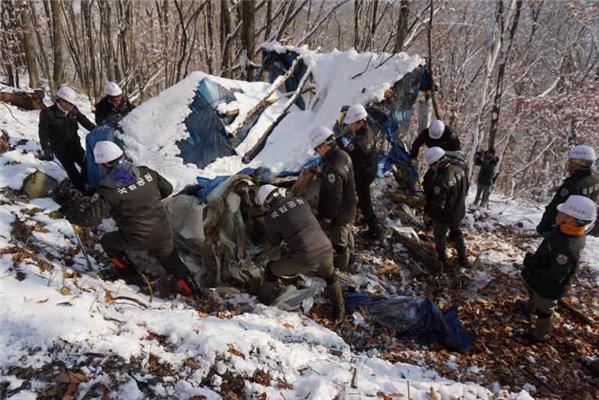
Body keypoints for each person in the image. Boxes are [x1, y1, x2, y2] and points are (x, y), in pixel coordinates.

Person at [62, 141, 199, 296]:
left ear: (103, 165)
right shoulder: (146, 173)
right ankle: (196, 293)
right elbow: (167, 189)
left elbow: (90, 220)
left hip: (136, 237)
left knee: (108, 242)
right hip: (163, 231)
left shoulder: (108, 189)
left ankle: (128, 273)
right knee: (174, 263)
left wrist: (70, 213)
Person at [256, 184, 345, 320]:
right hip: (326, 248)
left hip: (306, 257)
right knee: (330, 276)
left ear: (267, 203)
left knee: (271, 270)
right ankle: (340, 312)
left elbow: (275, 242)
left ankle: (261, 304)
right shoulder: (301, 200)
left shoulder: (271, 217)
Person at [520, 195, 596, 342]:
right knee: (533, 290)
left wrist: (534, 269)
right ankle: (530, 306)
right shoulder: (564, 230)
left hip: (549, 286)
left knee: (544, 310)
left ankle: (539, 335)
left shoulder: (569, 247)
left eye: (562, 213)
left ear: (572, 219)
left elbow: (555, 275)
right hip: (540, 276)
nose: (557, 214)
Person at [308, 126, 357, 272]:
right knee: (346, 233)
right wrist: (321, 174)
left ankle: (340, 269)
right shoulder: (343, 155)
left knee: (339, 243)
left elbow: (334, 197)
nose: (317, 152)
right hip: (349, 206)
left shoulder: (333, 168)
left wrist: (327, 217)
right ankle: (351, 259)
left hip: (339, 212)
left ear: (324, 145)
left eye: (317, 149)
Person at [38, 86, 96, 192]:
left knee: (87, 165)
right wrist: (46, 148)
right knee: (71, 170)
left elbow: (85, 121)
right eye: (70, 103)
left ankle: (91, 183)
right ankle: (82, 190)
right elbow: (43, 132)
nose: (72, 106)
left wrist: (97, 130)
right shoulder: (47, 113)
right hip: (60, 148)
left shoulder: (73, 111)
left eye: (73, 104)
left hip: (75, 144)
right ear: (61, 101)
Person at [337, 104, 382, 239]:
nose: (349, 127)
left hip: (363, 173)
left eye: (351, 124)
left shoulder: (362, 142)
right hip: (368, 168)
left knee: (364, 200)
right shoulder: (368, 129)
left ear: (360, 122)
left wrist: (338, 144)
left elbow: (346, 152)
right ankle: (370, 222)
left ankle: (375, 229)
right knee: (363, 199)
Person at [422, 147, 469, 269]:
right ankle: (463, 259)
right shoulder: (460, 169)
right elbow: (466, 189)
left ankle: (443, 260)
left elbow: (438, 203)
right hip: (459, 210)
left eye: (432, 165)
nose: (432, 168)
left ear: (437, 162)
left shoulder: (441, 180)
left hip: (445, 215)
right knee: (456, 232)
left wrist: (429, 215)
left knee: (439, 237)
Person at [536, 145, 599, 236]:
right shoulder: (595, 180)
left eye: (571, 162)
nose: (568, 164)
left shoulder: (573, 185)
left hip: (561, 230)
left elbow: (555, 208)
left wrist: (543, 228)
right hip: (578, 228)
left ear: (577, 163)